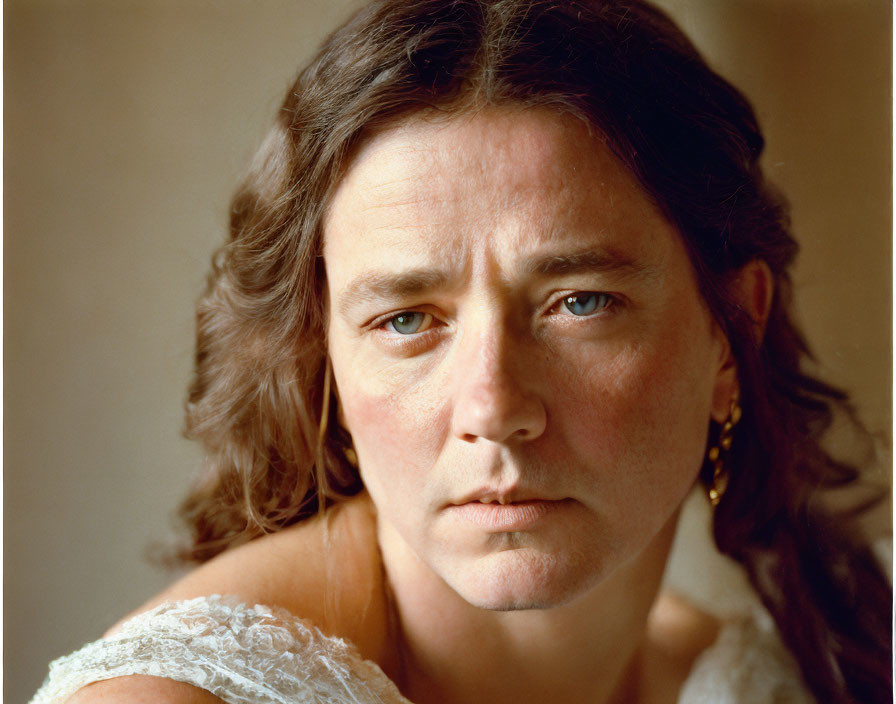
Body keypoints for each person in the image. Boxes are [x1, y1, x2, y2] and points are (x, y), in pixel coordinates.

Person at [31, 0, 891, 702]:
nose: (492, 408)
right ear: (323, 356)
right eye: (406, 319)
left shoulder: (770, 679)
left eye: (580, 302)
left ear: (731, 334)